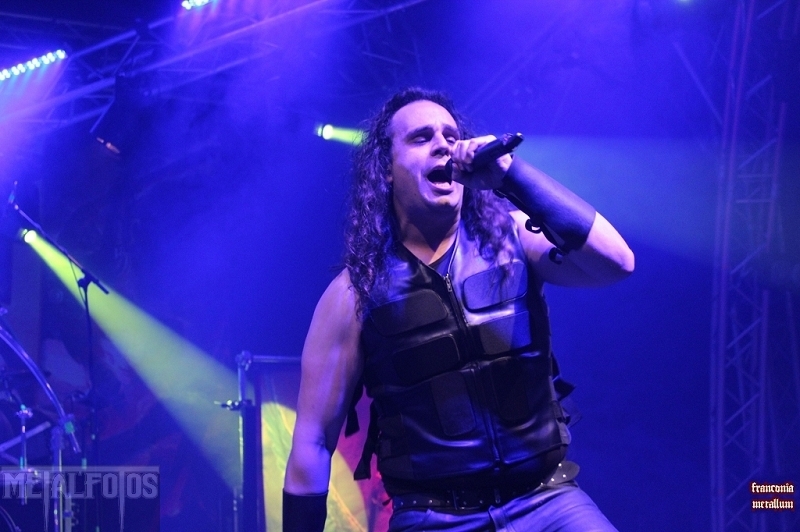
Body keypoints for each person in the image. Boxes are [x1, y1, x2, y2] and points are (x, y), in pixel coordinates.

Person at [283, 87, 634, 531]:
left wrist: (510, 175)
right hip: (435, 517)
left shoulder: (513, 237)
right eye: (421, 137)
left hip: (547, 501)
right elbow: (313, 441)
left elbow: (617, 262)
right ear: (386, 169)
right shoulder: (354, 292)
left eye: (451, 136)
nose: (443, 145)